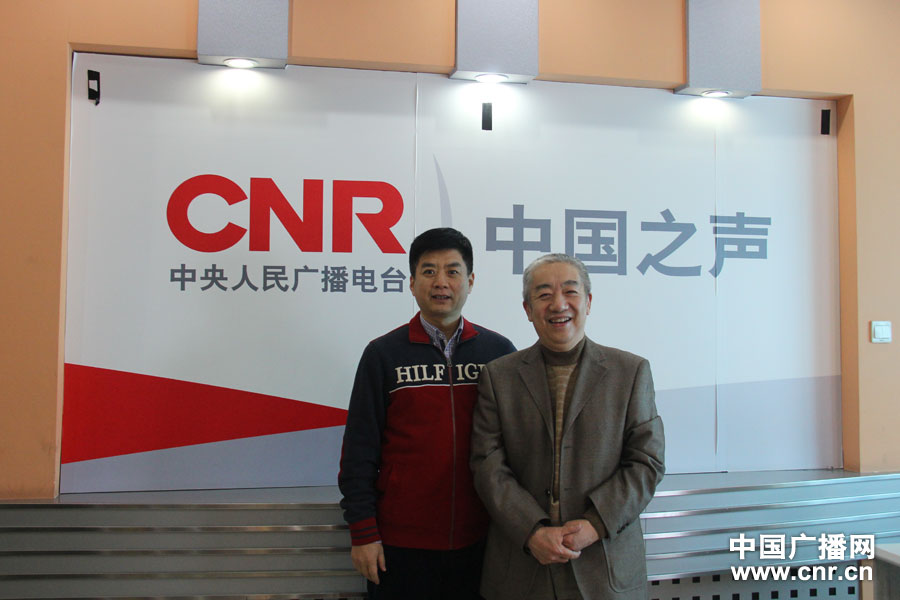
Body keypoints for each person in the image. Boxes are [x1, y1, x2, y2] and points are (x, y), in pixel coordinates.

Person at [470, 253, 665, 600]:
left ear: (588, 302)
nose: (558, 304)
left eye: (570, 292)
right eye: (544, 294)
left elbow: (646, 462)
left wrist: (596, 524)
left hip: (604, 568)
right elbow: (487, 464)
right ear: (528, 309)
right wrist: (531, 530)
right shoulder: (499, 376)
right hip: (521, 568)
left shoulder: (630, 372)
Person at [339, 227, 516, 599]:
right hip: (401, 544)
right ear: (412, 282)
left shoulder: (499, 354)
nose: (441, 282)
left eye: (452, 271)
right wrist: (363, 533)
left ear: (470, 281)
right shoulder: (382, 355)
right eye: (429, 271)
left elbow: (517, 447)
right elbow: (358, 451)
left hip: (482, 540)